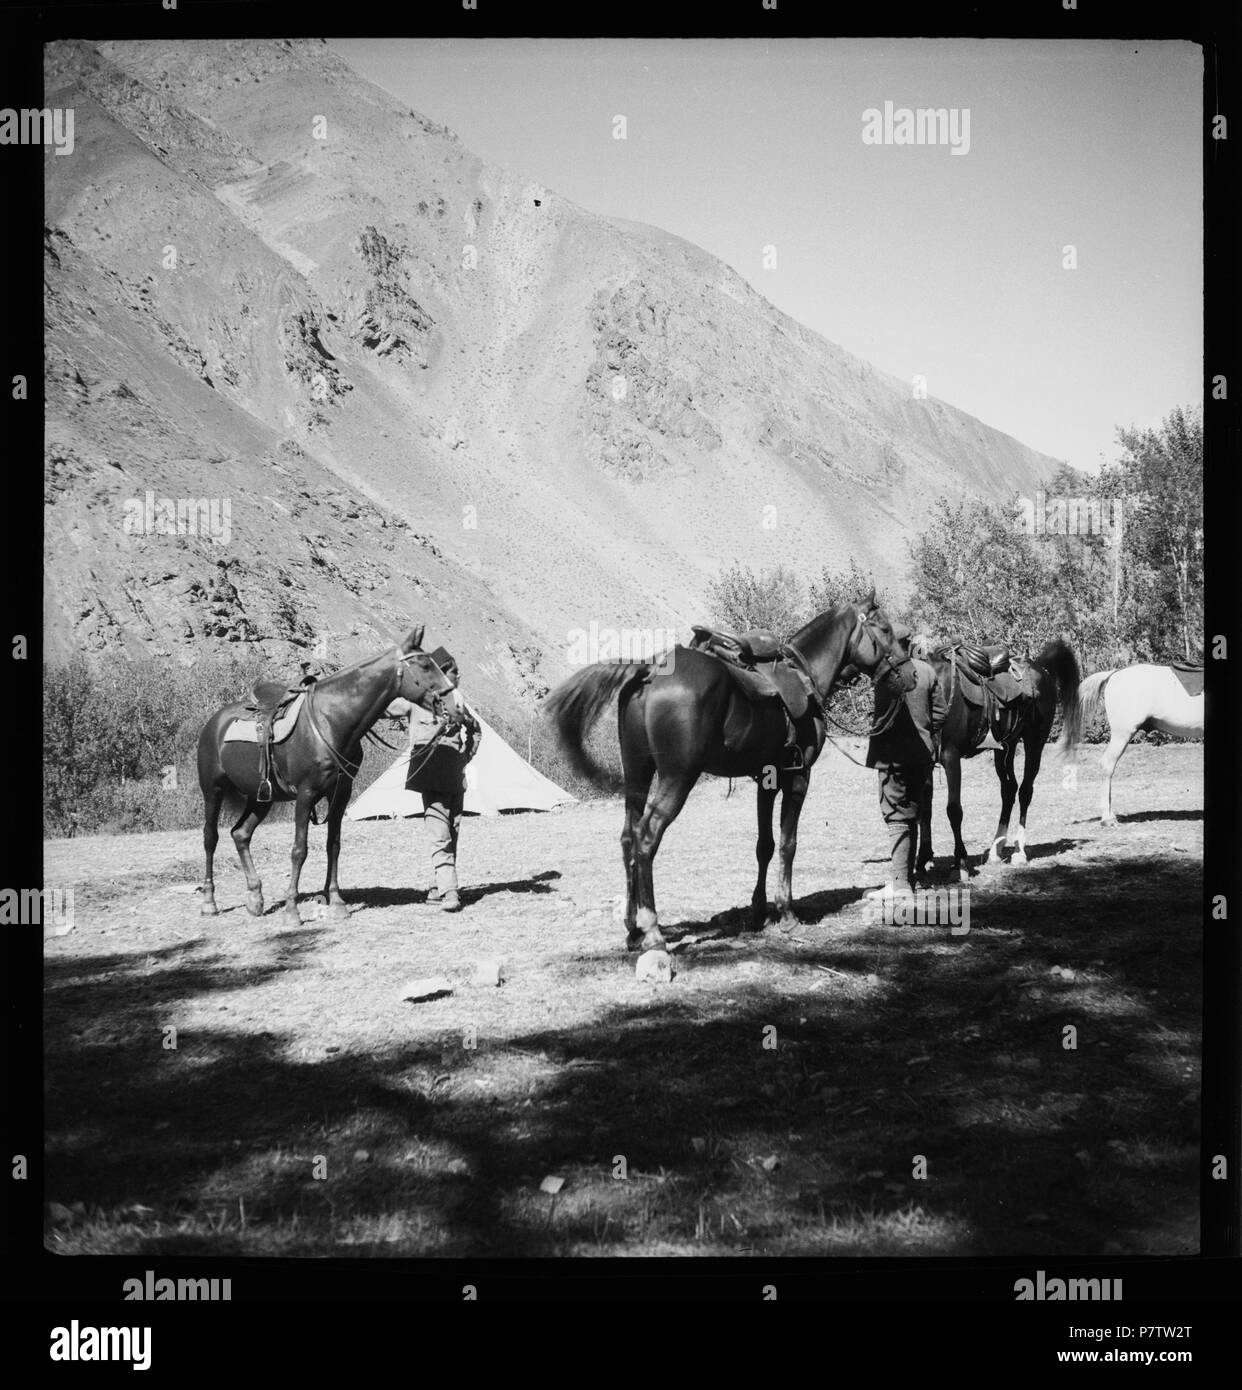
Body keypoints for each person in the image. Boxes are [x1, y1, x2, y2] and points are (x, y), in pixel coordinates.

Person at [864, 623, 947, 907]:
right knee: (911, 813)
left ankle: (900, 885)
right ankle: (906, 880)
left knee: (895, 814)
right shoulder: (926, 671)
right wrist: (926, 735)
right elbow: (940, 713)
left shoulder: (885, 674)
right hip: (922, 754)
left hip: (893, 755)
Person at [403, 647, 481, 912]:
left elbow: (475, 730)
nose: (458, 678)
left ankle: (437, 887)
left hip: (454, 776)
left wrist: (465, 757)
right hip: (430, 774)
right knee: (440, 836)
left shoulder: (458, 704)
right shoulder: (415, 703)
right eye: (453, 673)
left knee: (453, 831)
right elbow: (386, 707)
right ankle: (450, 892)